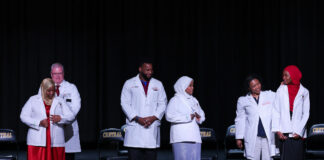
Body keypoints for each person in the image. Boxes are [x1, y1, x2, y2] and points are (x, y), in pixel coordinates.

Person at [120, 60, 167, 160]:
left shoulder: (158, 84)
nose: (150, 72)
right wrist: (137, 118)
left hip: (151, 129)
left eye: (151, 70)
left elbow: (163, 103)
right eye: (147, 70)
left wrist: (153, 118)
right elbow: (124, 103)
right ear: (140, 69)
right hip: (135, 129)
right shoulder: (129, 83)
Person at [20, 78, 74, 160]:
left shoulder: (60, 101)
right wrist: (38, 122)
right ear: (43, 89)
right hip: (37, 140)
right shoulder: (33, 100)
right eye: (48, 91)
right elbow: (23, 116)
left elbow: (71, 116)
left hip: (56, 140)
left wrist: (61, 118)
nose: (51, 93)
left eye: (53, 90)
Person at [272, 65, 310, 160]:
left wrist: (299, 131)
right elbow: (276, 110)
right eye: (283, 75)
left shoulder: (304, 92)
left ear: (293, 76)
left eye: (286, 75)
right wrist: (277, 130)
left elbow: (306, 113)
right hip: (284, 133)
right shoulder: (280, 90)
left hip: (298, 133)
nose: (283, 77)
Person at [235, 75, 276, 160]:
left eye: (258, 84)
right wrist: (239, 137)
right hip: (253, 137)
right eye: (254, 86)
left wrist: (283, 86)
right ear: (249, 88)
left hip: (267, 136)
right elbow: (240, 119)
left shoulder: (269, 95)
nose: (257, 87)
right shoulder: (243, 100)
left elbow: (280, 95)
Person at [165, 76, 205, 160]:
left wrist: (199, 118)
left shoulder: (194, 100)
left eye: (192, 86)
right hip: (181, 137)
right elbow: (169, 116)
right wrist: (187, 117)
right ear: (182, 86)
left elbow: (201, 113)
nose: (192, 88)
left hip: (195, 137)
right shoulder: (175, 100)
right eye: (190, 86)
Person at [49, 63, 81, 160]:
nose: (58, 76)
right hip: (52, 129)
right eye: (55, 73)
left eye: (60, 73)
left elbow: (76, 108)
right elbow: (40, 107)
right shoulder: (45, 88)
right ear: (51, 74)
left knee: (68, 156)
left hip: (68, 130)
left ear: (63, 73)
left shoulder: (72, 88)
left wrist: (61, 119)